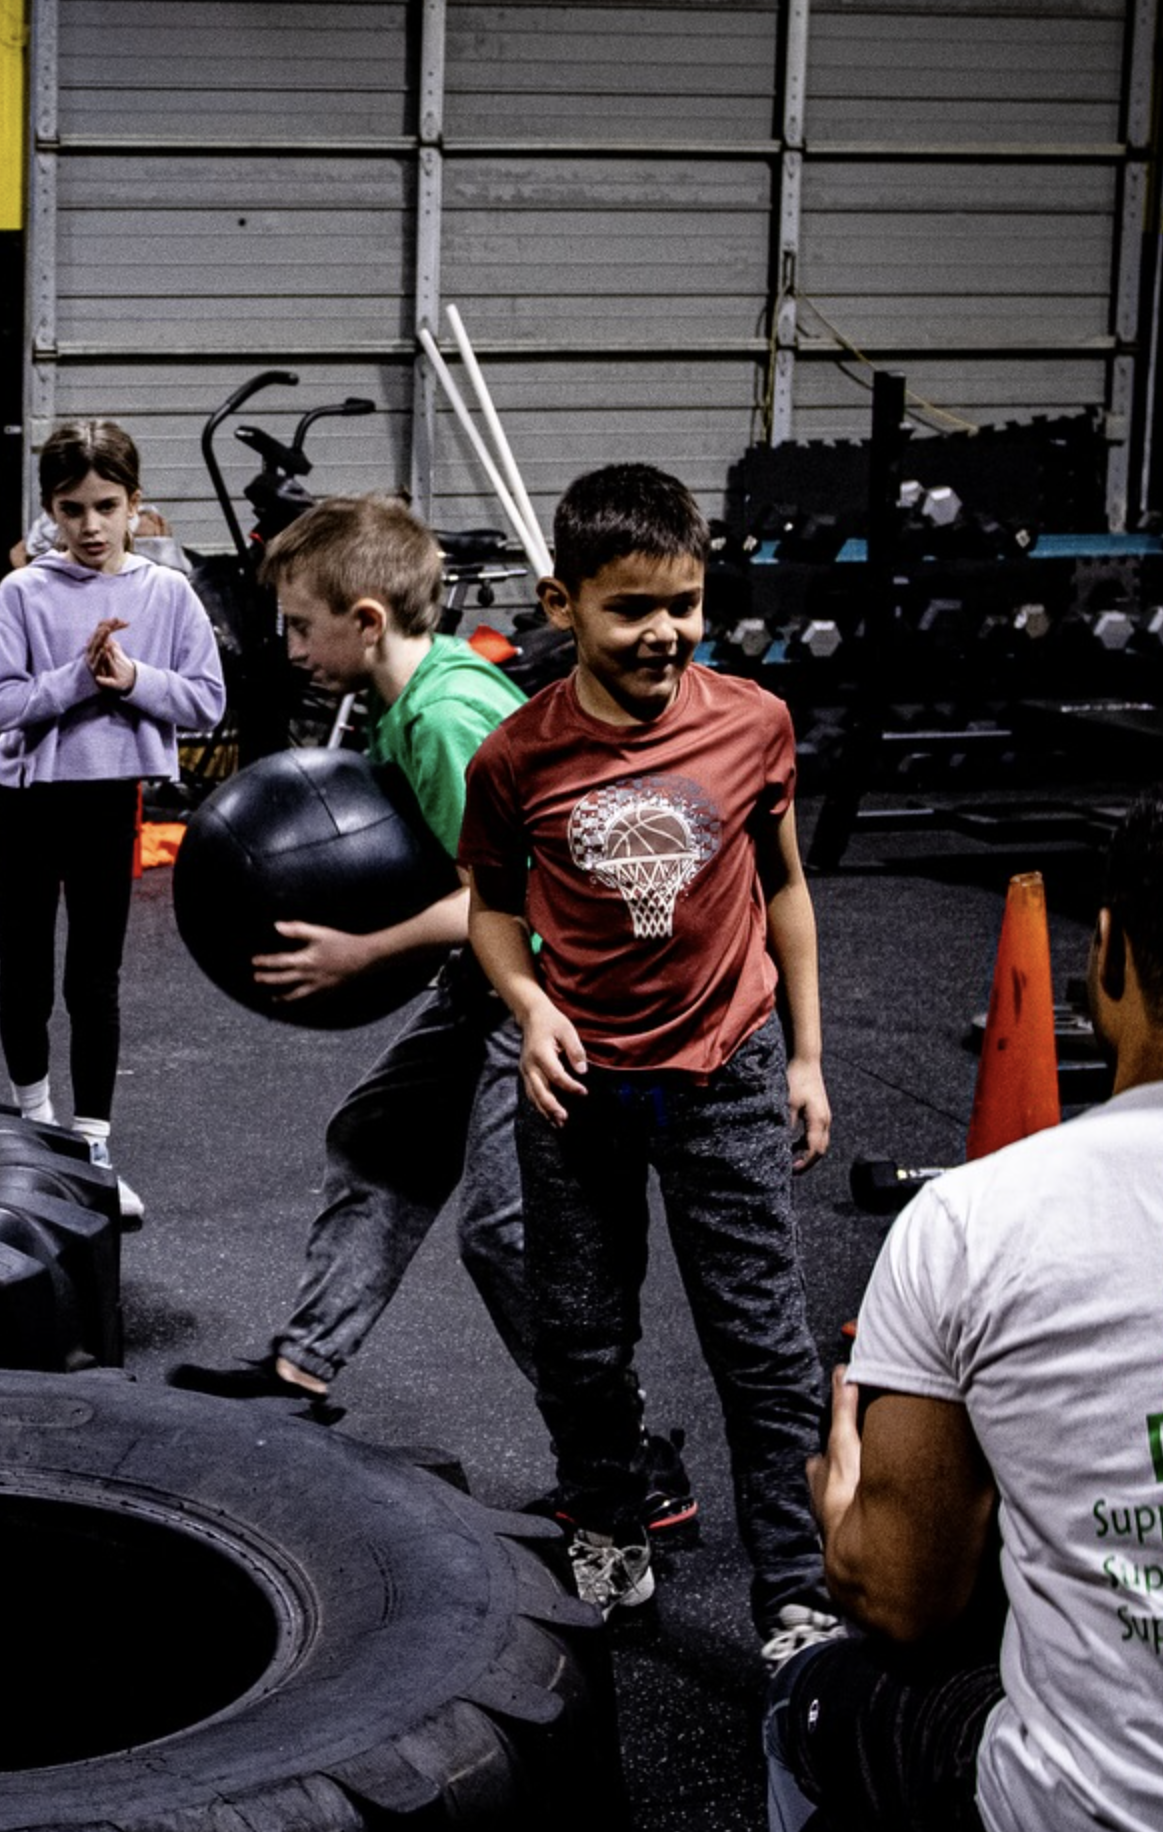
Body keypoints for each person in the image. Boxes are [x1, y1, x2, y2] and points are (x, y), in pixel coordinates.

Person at [460, 463, 836, 1663]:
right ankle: (611, 1527)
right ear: (560, 601)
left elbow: (784, 887)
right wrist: (527, 1003)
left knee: (766, 1348)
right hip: (581, 1088)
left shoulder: (753, 724)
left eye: (685, 602)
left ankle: (794, 1590)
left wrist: (810, 1058)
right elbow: (487, 909)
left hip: (728, 1066)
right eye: (631, 608)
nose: (663, 632)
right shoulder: (517, 757)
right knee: (580, 1336)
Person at [765, 787, 1163, 1832]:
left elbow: (901, 1595)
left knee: (813, 1689)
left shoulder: (976, 1218)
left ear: (1107, 954)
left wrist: (846, 1506)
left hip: (1090, 1809)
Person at [168, 495, 540, 1402]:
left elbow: (512, 899)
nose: (291, 648)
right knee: (377, 1137)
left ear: (366, 621)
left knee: (501, 1231)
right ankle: (304, 1366)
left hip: (546, 989)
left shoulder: (446, 718)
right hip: (491, 979)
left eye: (302, 627)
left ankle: (624, 1449)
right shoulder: (408, 697)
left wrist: (363, 951)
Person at [0, 420, 225, 1220]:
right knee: (23, 970)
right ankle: (33, 1127)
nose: (88, 527)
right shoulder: (22, 592)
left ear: (135, 507)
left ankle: (91, 1147)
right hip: (27, 803)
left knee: (95, 978)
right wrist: (79, 680)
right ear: (49, 509)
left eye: (105, 507)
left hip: (110, 797)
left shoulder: (166, 593)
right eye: (71, 508)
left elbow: (206, 699)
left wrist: (132, 677)